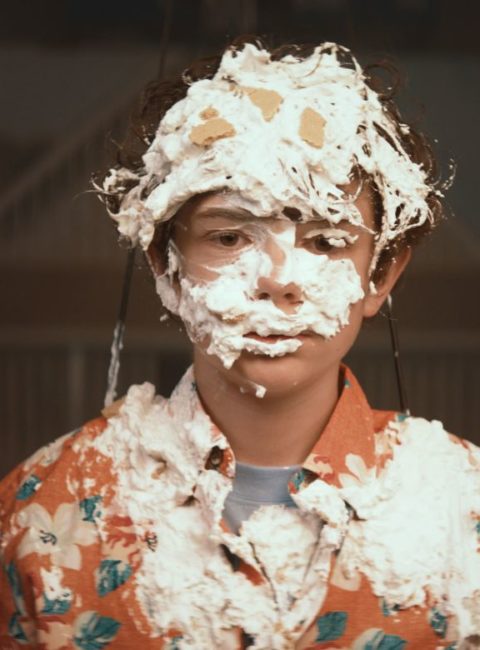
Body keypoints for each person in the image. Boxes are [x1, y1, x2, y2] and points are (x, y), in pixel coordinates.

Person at [1, 36, 479, 650]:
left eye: (326, 241)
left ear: (379, 276)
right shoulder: (39, 514)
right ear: (166, 266)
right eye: (229, 238)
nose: (278, 279)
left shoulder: (464, 509)